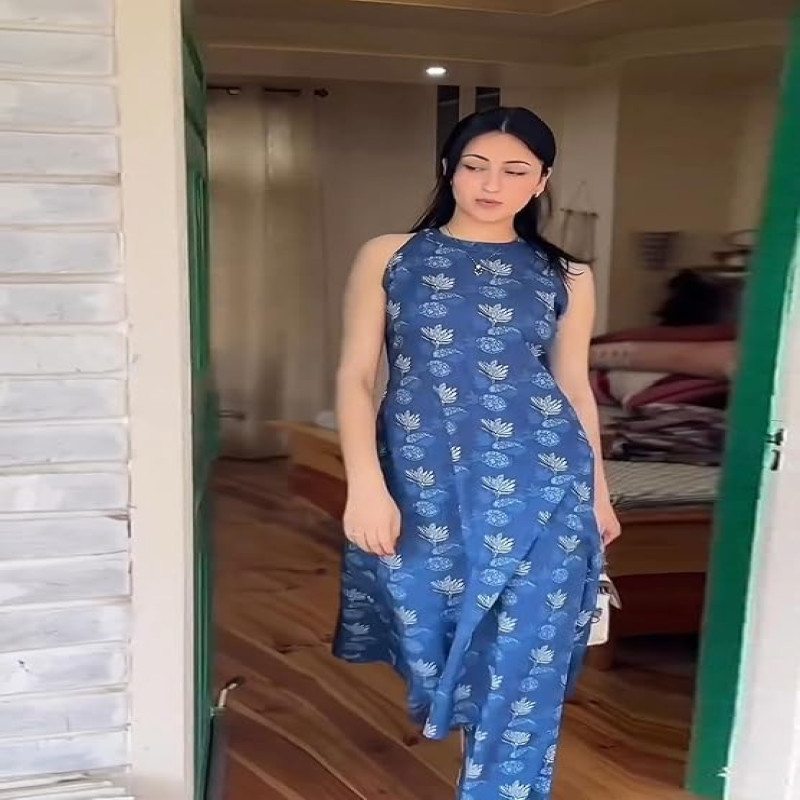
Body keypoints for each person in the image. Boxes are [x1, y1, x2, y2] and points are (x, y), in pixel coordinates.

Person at [331, 106, 621, 800]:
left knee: (524, 661)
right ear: (448, 170)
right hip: (423, 482)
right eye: (476, 166)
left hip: (545, 485)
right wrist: (364, 484)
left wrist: (599, 494)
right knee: (434, 641)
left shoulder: (567, 275)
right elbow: (356, 376)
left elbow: (573, 387)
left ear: (541, 181)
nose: (493, 185)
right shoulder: (391, 255)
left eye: (516, 171)